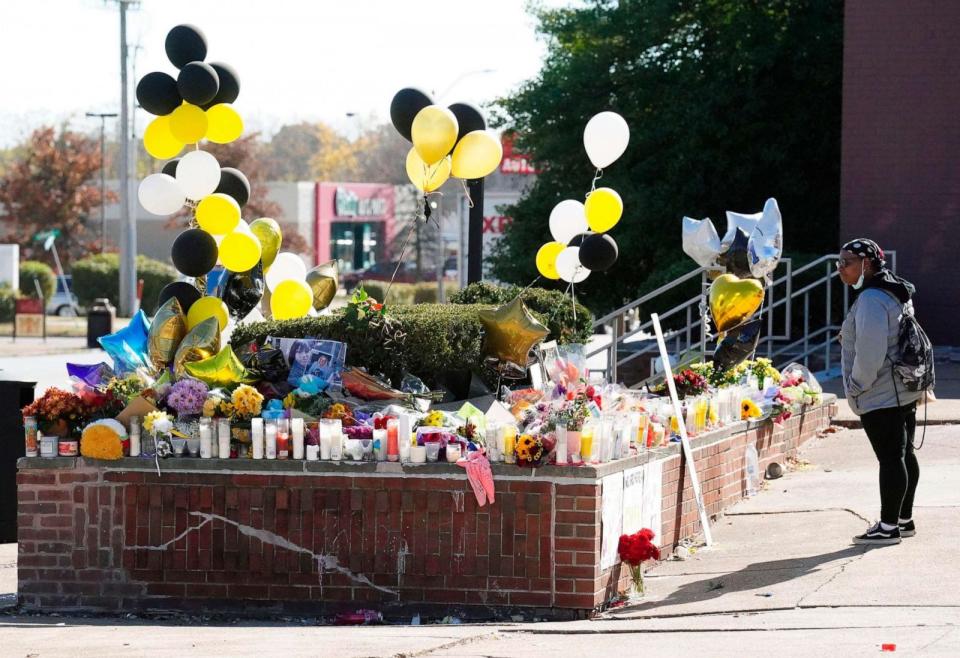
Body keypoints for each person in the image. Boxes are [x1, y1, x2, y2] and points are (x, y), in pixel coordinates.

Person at [837, 238, 925, 545]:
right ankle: (904, 520)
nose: (840, 269)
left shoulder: (872, 299)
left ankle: (888, 527)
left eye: (846, 263)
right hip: (903, 388)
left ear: (867, 264)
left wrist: (857, 386)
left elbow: (871, 353)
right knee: (904, 455)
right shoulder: (894, 290)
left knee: (890, 459)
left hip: (880, 392)